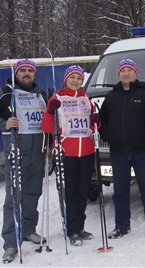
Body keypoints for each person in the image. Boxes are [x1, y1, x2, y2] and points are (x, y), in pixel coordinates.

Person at [0, 58, 48, 263]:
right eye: (23, 71)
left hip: (37, 153)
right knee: (13, 197)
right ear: (17, 73)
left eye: (30, 71)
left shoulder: (41, 94)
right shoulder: (5, 92)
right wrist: (4, 123)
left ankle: (28, 229)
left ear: (34, 74)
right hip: (16, 152)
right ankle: (10, 242)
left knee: (33, 193)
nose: (27, 74)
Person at [99, 58, 145, 239]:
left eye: (129, 70)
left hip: (141, 150)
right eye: (123, 70)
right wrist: (108, 136)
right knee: (120, 191)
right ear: (118, 74)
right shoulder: (111, 96)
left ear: (135, 73)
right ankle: (122, 225)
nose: (126, 73)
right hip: (118, 152)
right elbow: (102, 121)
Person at [41, 65, 100, 247]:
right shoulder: (57, 98)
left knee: (83, 192)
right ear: (66, 79)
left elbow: (93, 127)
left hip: (87, 152)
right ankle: (72, 229)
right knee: (71, 192)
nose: (75, 81)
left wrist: (96, 122)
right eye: (72, 77)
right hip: (67, 153)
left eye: (79, 78)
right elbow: (47, 128)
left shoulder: (86, 99)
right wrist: (51, 111)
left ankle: (80, 226)